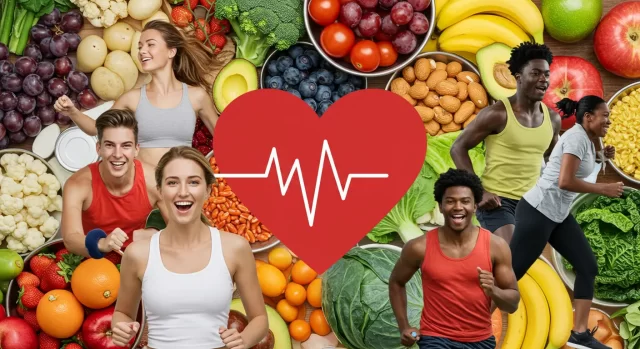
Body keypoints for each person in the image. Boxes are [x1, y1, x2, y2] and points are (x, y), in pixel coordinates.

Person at [109, 146, 268, 349]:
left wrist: (243, 341)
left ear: (208, 190)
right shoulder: (138, 253)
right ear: (160, 190)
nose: (183, 192)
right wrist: (120, 328)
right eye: (172, 182)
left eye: (193, 182)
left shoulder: (234, 248)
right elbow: (122, 313)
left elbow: (260, 319)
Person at [509, 96, 622, 349]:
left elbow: (578, 166)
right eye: (604, 115)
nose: (609, 120)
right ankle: (466, 325)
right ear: (588, 117)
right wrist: (604, 189)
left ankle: (580, 333)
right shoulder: (575, 137)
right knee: (510, 275)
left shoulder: (586, 139)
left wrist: (601, 156)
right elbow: (565, 181)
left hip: (557, 214)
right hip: (538, 212)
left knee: (587, 266)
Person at [53, 20, 218, 168]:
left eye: (150, 45)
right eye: (140, 47)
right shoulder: (132, 99)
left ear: (171, 52)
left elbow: (225, 141)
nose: (142, 51)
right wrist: (72, 112)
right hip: (141, 191)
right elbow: (96, 129)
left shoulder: (197, 96)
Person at [388, 168, 519, 349]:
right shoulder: (419, 247)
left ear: (475, 206)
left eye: (465, 201)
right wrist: (404, 326)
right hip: (435, 338)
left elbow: (512, 303)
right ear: (441, 206)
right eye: (450, 201)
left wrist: (493, 290)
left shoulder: (496, 246)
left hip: (480, 340)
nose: (458, 207)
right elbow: (396, 282)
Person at [450, 41, 562, 243]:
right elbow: (458, 148)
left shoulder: (553, 119)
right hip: (497, 202)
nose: (543, 80)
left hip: (531, 202)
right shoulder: (497, 114)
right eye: (535, 74)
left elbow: (551, 159)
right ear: (518, 78)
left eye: (546, 74)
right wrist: (479, 192)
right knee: (512, 253)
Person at [61, 109, 167, 261]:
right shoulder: (77, 184)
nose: (117, 154)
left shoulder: (155, 180)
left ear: (136, 149)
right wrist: (101, 244)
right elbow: (71, 238)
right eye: (110, 145)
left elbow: (181, 231)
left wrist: (156, 234)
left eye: (126, 146)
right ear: (99, 148)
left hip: (138, 255)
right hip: (90, 255)